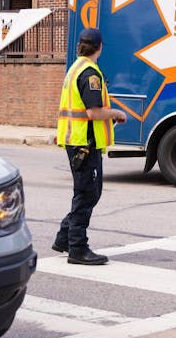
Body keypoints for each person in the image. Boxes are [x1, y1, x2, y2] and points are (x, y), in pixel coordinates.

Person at [53, 27, 127, 266]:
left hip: (77, 140)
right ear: (100, 47)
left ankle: (65, 238)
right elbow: (93, 112)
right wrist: (117, 112)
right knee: (87, 194)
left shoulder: (75, 68)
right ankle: (77, 248)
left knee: (86, 192)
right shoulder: (89, 73)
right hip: (85, 142)